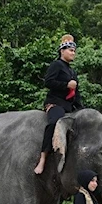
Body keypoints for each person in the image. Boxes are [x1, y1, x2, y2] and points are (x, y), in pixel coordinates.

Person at [34, 34, 83, 174]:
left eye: (74, 51)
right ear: (62, 51)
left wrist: (81, 109)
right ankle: (43, 158)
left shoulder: (72, 71)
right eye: (70, 50)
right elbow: (48, 82)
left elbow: (76, 93)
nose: (73, 53)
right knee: (55, 122)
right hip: (56, 103)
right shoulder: (56, 65)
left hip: (69, 106)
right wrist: (66, 85)